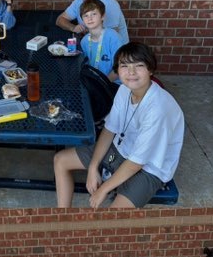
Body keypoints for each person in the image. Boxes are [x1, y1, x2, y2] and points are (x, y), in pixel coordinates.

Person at [54, 42, 184, 208]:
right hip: (122, 147)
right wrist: (93, 167)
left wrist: (103, 190)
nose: (131, 72)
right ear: (117, 70)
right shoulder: (124, 90)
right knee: (61, 160)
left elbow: (137, 162)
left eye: (139, 66)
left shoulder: (158, 109)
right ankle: (62, 218)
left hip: (150, 167)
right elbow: (109, 130)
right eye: (125, 66)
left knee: (111, 219)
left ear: (150, 70)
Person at [78, 0, 122, 83]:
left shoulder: (113, 37)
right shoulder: (84, 41)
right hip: (94, 83)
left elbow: (119, 68)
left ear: (102, 16)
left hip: (113, 84)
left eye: (94, 14)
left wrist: (103, 84)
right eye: (85, 15)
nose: (89, 18)